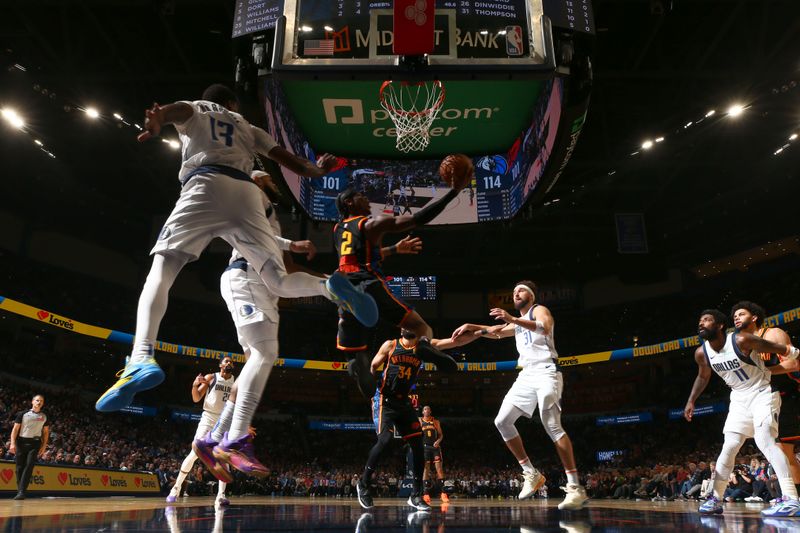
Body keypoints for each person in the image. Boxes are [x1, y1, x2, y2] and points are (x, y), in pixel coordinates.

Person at [95, 83, 377, 413]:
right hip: (245, 194)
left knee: (164, 268)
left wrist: (159, 120)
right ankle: (327, 286)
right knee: (277, 280)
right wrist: (319, 169)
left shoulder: (197, 107)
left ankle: (141, 356)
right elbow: (296, 165)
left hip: (205, 183)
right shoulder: (247, 126)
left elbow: (176, 110)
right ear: (232, 104)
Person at [193, 171, 422, 479]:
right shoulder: (250, 196)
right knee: (263, 355)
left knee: (255, 365)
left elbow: (265, 246)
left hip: (261, 283)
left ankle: (213, 439)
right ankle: (233, 441)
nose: (274, 183)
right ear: (259, 179)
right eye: (270, 179)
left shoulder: (264, 211)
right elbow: (238, 231)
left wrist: (291, 245)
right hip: (246, 278)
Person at [451, 281, 588, 510]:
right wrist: (470, 325)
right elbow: (494, 333)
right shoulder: (517, 324)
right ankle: (530, 473)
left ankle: (575, 488)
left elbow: (543, 327)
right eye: (514, 291)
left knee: (552, 425)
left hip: (546, 371)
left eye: (520, 290)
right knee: (502, 421)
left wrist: (512, 319)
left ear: (532, 296)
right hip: (526, 375)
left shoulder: (539, 310)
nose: (516, 293)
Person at [334, 166, 467, 397]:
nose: (365, 197)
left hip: (344, 287)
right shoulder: (369, 223)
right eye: (359, 196)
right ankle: (424, 345)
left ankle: (358, 366)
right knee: (418, 326)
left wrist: (396, 248)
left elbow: (362, 256)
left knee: (353, 351)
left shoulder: (337, 230)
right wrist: (454, 192)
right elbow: (418, 218)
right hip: (368, 284)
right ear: (349, 204)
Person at [684, 309, 800, 517]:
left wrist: (790, 351)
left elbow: (770, 346)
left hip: (762, 392)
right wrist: (691, 400)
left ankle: (791, 499)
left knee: (765, 441)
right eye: (700, 320)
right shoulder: (702, 353)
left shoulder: (740, 339)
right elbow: (703, 377)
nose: (701, 323)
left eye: (707, 320)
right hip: (738, 398)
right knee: (729, 446)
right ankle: (715, 499)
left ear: (720, 325)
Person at [356, 329, 463, 512]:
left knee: (418, 445)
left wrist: (481, 331)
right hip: (385, 399)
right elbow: (373, 367)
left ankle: (416, 495)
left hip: (404, 402)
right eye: (403, 325)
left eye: (410, 324)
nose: (406, 327)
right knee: (385, 440)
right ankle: (363, 483)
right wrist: (371, 393)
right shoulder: (390, 345)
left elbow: (453, 341)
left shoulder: (423, 347)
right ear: (400, 329)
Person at [731, 301, 800, 492]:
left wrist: (765, 372)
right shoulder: (740, 343)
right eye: (734, 315)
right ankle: (792, 498)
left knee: (785, 451)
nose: (736, 317)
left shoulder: (772, 334)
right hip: (763, 398)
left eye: (741, 314)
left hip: (789, 395)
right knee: (779, 451)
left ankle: (793, 499)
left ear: (754, 317)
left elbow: (794, 365)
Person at [166, 357, 235, 505]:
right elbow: (196, 398)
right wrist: (194, 385)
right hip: (208, 418)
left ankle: (221, 495)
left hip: (224, 421)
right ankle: (176, 488)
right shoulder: (211, 377)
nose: (229, 363)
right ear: (220, 365)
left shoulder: (236, 382)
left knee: (223, 457)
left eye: (231, 362)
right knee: (194, 454)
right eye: (226, 361)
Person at [9, 394, 49, 500]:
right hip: (21, 442)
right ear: (32, 401)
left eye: (41, 401)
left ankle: (22, 491)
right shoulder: (22, 414)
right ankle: (20, 490)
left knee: (29, 465)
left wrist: (44, 446)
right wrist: (12, 443)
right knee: (19, 468)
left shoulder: (44, 416)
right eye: (37, 400)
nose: (39, 402)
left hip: (35, 443)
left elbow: (45, 433)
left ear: (43, 403)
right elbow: (15, 430)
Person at [420, 405, 449, 504]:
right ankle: (426, 494)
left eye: (428, 409)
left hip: (435, 447)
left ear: (430, 411)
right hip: (425, 447)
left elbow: (441, 435)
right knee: (426, 470)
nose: (426, 410)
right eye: (424, 409)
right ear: (422, 412)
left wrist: (438, 441)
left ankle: (443, 494)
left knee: (439, 470)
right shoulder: (420, 421)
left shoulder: (435, 422)